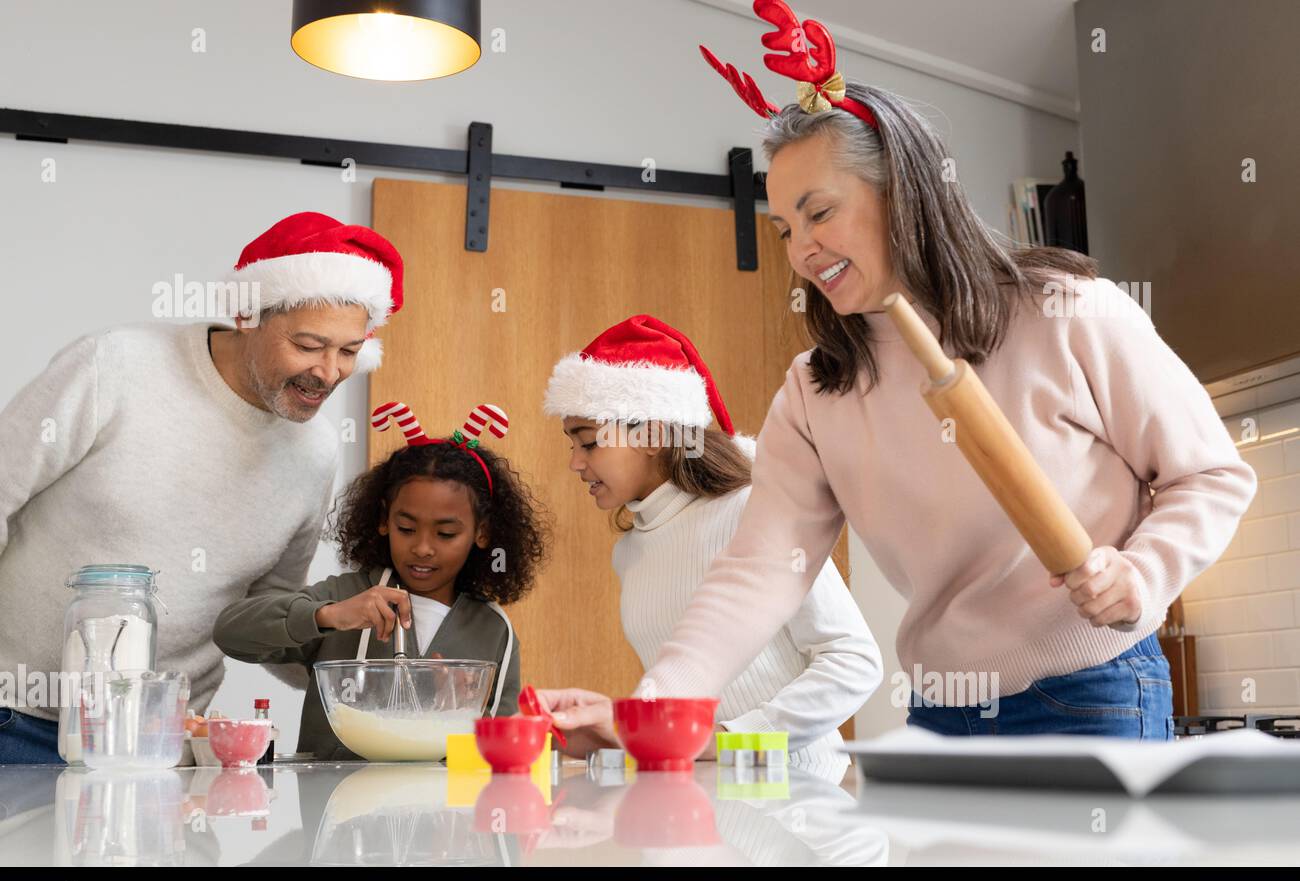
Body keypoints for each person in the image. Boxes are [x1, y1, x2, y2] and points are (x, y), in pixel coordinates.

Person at [537, 5, 1256, 743]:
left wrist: (1142, 574)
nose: (803, 250)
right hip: (938, 713)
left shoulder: (1069, 313)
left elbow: (1211, 475)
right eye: (785, 228)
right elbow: (759, 570)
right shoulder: (817, 392)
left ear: (904, 191)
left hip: (1089, 692)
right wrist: (652, 709)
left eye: (821, 212)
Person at [0, 210, 405, 764]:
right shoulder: (114, 367)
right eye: (309, 345)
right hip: (17, 718)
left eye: (349, 351)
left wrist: (351, 655)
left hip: (167, 741)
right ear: (246, 314)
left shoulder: (314, 451)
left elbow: (270, 604)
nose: (330, 372)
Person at [544, 315, 881, 772]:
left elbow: (852, 661)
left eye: (587, 443)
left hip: (795, 803)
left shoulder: (751, 513)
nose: (575, 464)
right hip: (705, 806)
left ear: (651, 435)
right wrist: (617, 729)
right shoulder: (631, 550)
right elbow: (689, 700)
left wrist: (729, 741)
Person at [214, 401, 550, 759]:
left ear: (481, 533)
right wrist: (328, 615)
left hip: (441, 811)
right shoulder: (347, 596)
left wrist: (462, 714)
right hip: (331, 808)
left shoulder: (493, 632)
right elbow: (231, 634)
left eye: (446, 534)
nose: (422, 548)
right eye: (406, 528)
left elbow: (501, 758)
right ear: (382, 521)